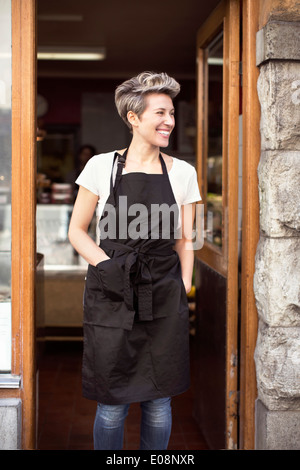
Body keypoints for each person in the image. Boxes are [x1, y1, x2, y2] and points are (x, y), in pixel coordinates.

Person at [68, 71, 201, 450]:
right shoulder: (100, 167)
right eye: (160, 113)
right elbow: (77, 230)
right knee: (112, 404)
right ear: (133, 118)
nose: (169, 122)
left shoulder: (184, 174)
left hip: (162, 293)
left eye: (172, 113)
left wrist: (184, 287)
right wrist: (106, 266)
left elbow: (189, 238)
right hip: (112, 293)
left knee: (159, 400)